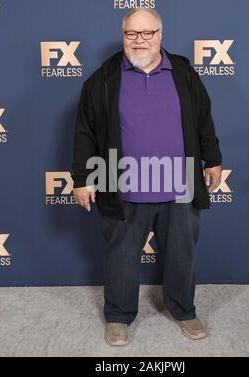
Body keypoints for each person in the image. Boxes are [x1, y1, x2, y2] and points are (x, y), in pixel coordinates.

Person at [71, 8, 222, 346]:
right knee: (121, 256)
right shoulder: (103, 78)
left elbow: (203, 119)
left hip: (178, 181)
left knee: (183, 253)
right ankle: (119, 316)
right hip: (120, 181)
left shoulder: (183, 71)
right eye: (131, 34)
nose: (139, 41)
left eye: (147, 33)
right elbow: (85, 132)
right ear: (123, 36)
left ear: (160, 35)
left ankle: (183, 309)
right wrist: (82, 178)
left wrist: (213, 158)